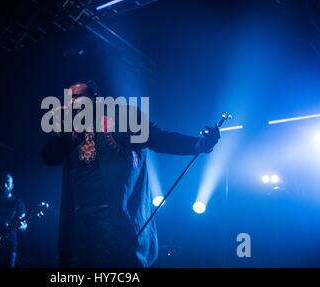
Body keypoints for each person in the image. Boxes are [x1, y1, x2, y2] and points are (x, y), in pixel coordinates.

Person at [42, 81, 220, 268]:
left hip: (114, 222)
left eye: (77, 97)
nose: (71, 103)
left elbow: (159, 139)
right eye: (68, 99)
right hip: (80, 224)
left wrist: (198, 144)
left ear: (95, 99)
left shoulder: (121, 118)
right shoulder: (69, 131)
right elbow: (49, 158)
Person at [0, 173, 27, 268]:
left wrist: (22, 226)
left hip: (10, 242)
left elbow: (24, 226)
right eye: (3, 182)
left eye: (7, 183)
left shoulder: (18, 203)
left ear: (12, 186)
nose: (5, 185)